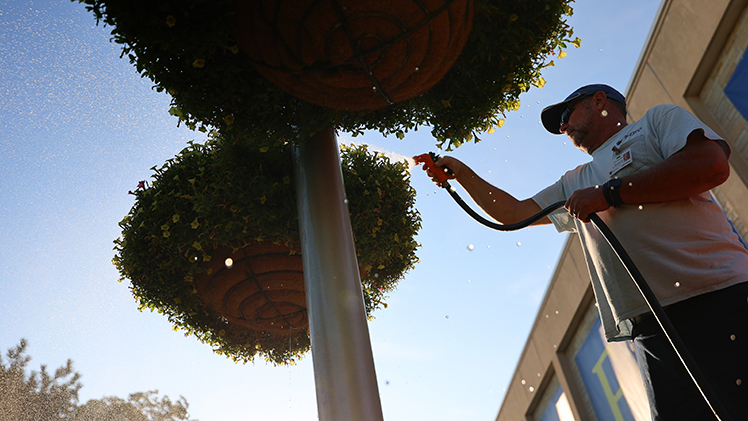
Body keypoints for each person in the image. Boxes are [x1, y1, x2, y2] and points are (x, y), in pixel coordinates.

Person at [427, 84, 748, 420]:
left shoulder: (655, 122)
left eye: (567, 115)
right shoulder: (575, 181)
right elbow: (514, 213)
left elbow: (710, 165)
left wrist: (609, 194)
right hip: (651, 327)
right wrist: (461, 174)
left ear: (599, 101)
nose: (563, 127)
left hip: (718, 296)